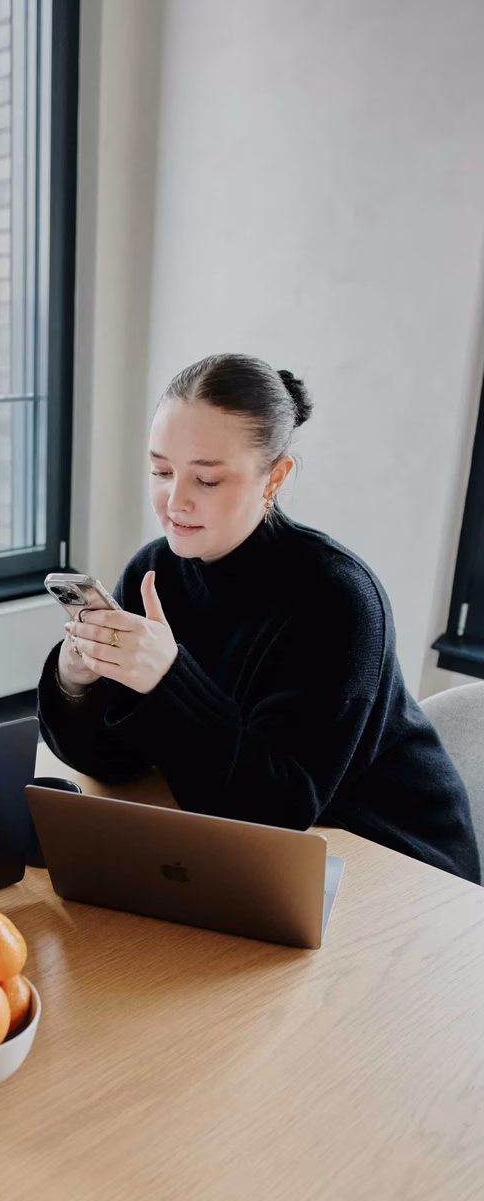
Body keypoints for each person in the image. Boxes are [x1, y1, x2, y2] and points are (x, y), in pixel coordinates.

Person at [39, 353, 480, 883]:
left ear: (275, 477)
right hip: (263, 850)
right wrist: (76, 682)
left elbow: (277, 808)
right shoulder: (156, 570)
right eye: (160, 470)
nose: (174, 500)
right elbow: (115, 764)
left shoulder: (339, 599)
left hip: (396, 862)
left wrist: (168, 679)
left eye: (207, 481)